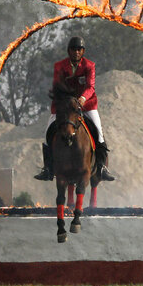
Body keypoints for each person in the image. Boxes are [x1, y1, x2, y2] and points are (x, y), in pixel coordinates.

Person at [34, 36, 115, 182]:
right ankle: (48, 169)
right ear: (69, 51)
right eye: (73, 49)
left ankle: (102, 168)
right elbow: (58, 86)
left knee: (99, 132)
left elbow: (90, 87)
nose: (76, 52)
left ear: (83, 51)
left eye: (79, 49)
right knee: (47, 134)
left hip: (87, 105)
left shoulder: (89, 66)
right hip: (65, 107)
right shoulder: (59, 66)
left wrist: (82, 99)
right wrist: (67, 101)